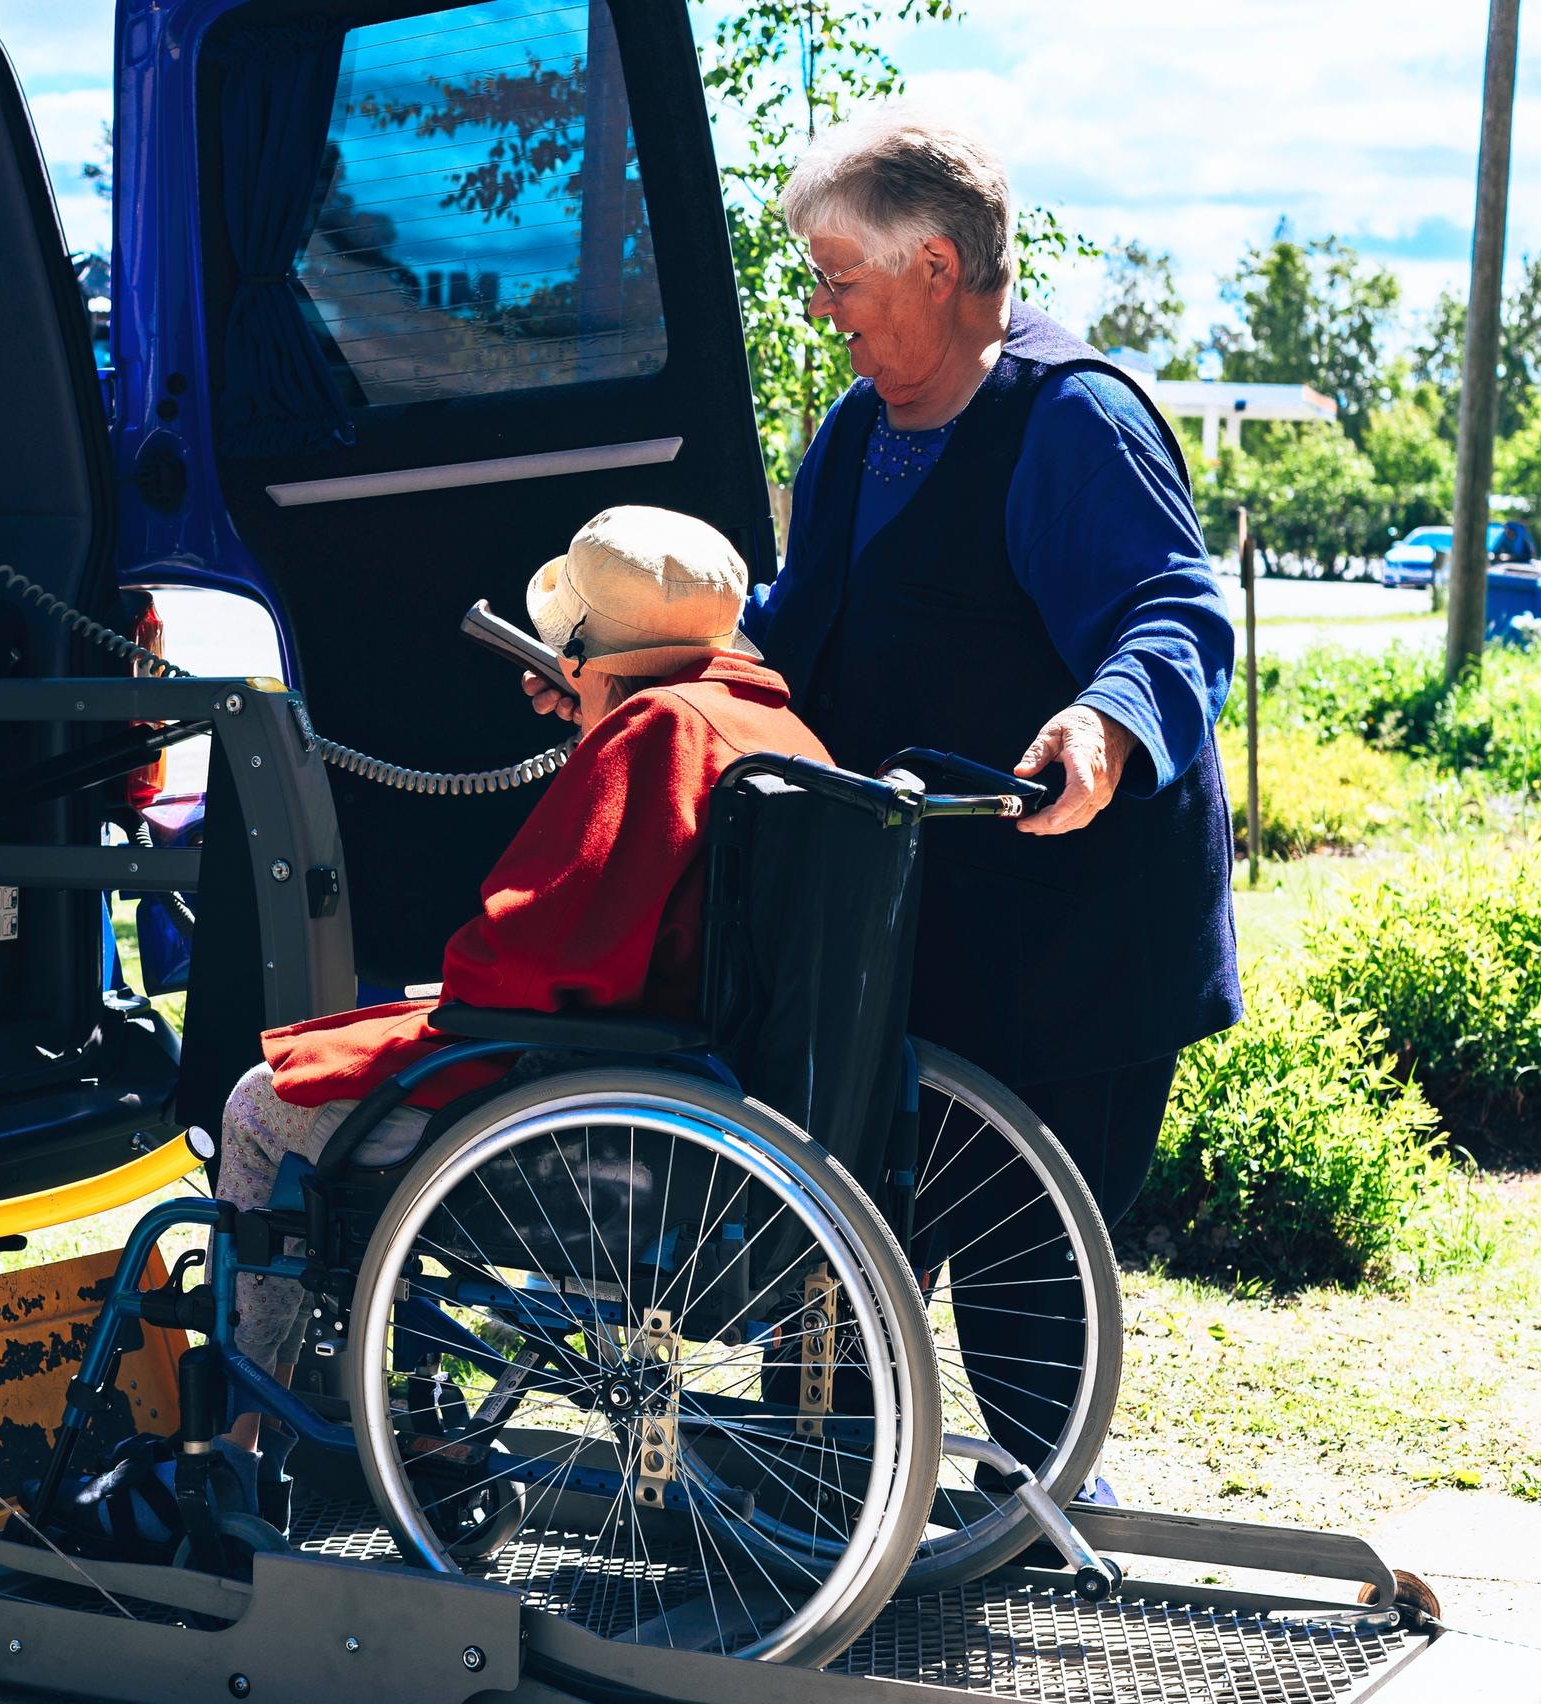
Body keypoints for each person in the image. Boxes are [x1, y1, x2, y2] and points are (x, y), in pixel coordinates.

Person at [528, 108, 1240, 1478]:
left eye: (838, 274)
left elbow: (1171, 611)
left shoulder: (1072, 418)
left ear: (933, 267)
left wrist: (1103, 724)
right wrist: (635, 677)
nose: (823, 304)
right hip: (922, 905)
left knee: (1031, 1264)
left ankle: (1042, 1497)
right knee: (857, 1229)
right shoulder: (860, 430)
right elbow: (803, 624)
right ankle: (845, 1490)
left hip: (1078, 920)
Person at [216, 504, 830, 1455]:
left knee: (261, 1107)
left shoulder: (656, 730)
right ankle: (405, 1414)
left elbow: (532, 950)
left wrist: (605, 732)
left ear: (587, 647)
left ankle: (245, 1436)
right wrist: (595, 715)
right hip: (712, 1087)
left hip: (594, 1098)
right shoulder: (771, 722)